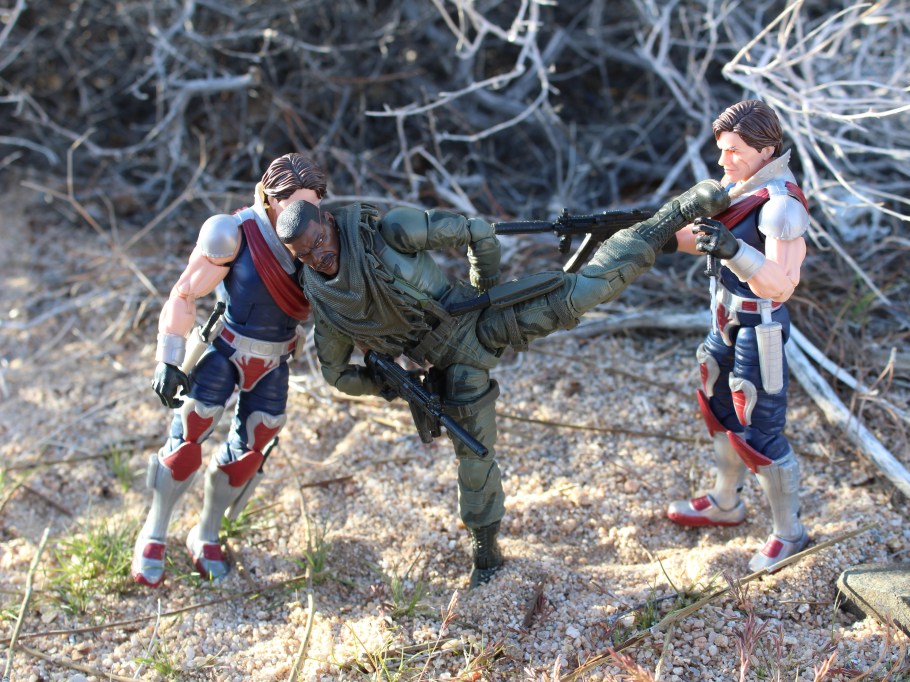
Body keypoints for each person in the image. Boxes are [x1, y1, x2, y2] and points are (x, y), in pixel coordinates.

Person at [275, 179, 729, 587]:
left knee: (586, 290)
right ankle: (486, 555)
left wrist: (485, 288)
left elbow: (476, 232)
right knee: (474, 458)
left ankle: (677, 213)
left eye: (319, 241)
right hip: (448, 367)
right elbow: (336, 373)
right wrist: (389, 385)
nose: (318, 256)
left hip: (480, 318)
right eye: (305, 255)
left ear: (328, 222)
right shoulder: (328, 305)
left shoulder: (388, 232)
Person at [132, 153, 324, 587]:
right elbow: (184, 293)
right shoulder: (232, 232)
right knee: (187, 439)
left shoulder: (323, 238)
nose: (301, 214)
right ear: (269, 197)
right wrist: (168, 357)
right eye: (292, 202)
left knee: (252, 448)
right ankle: (154, 530)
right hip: (226, 349)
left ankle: (206, 533)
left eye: (311, 204)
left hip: (275, 358)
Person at [665, 100, 811, 573]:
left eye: (734, 150)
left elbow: (780, 285)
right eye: (722, 149)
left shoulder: (781, 206)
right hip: (723, 317)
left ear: (765, 150)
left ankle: (789, 533)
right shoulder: (737, 186)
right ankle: (725, 501)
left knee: (761, 429)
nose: (724, 159)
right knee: (718, 408)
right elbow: (698, 238)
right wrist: (648, 235)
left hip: (760, 325)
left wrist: (734, 251)